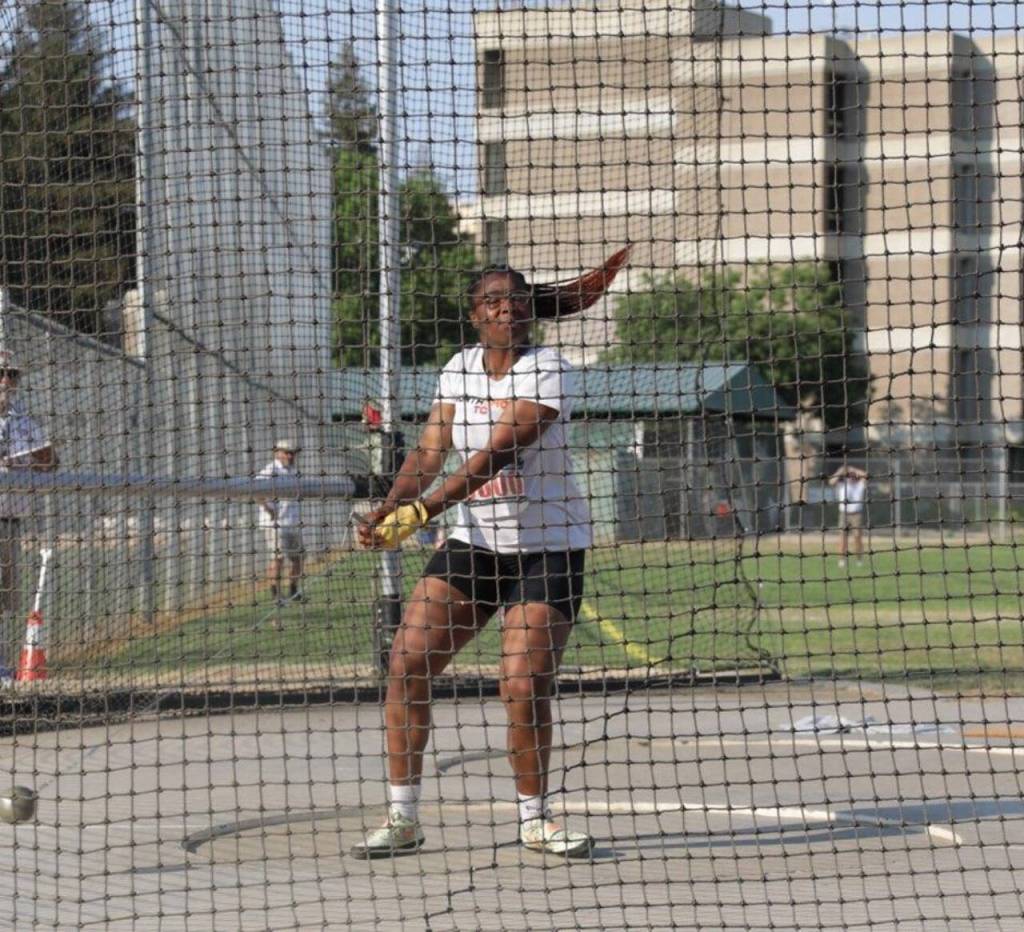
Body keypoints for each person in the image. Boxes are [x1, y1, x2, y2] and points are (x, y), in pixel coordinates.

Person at [352, 247, 630, 860]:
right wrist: (389, 505)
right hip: (477, 544)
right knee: (407, 663)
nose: (507, 309)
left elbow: (495, 454)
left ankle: (535, 819)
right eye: (493, 302)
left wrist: (422, 512)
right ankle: (403, 819)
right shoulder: (458, 369)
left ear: (531, 310)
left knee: (522, 685)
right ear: (475, 314)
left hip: (546, 548)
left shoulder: (548, 368)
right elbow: (430, 453)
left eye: (517, 300)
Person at [0, 351, 58, 670]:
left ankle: (2, 664)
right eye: (1, 373)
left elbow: (51, 461)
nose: (6, 380)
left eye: (12, 374)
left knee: (6, 599)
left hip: (10, 520)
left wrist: (24, 460)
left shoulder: (23, 422)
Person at [258, 439, 306, 605]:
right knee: (278, 558)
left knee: (299, 557)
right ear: (277, 453)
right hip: (275, 524)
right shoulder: (270, 470)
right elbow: (256, 491)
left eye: (292, 453)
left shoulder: (293, 471)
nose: (290, 456)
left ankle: (293, 590)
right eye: (287, 453)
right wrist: (268, 509)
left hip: (292, 522)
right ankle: (276, 594)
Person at [829, 464, 868, 566]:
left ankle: (859, 559)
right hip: (844, 514)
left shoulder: (860, 484)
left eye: (852, 475)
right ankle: (842, 559)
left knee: (857, 537)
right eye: (849, 475)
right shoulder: (842, 485)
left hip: (857, 514)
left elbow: (866, 475)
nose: (850, 476)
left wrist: (853, 469)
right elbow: (831, 481)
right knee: (842, 538)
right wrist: (840, 471)